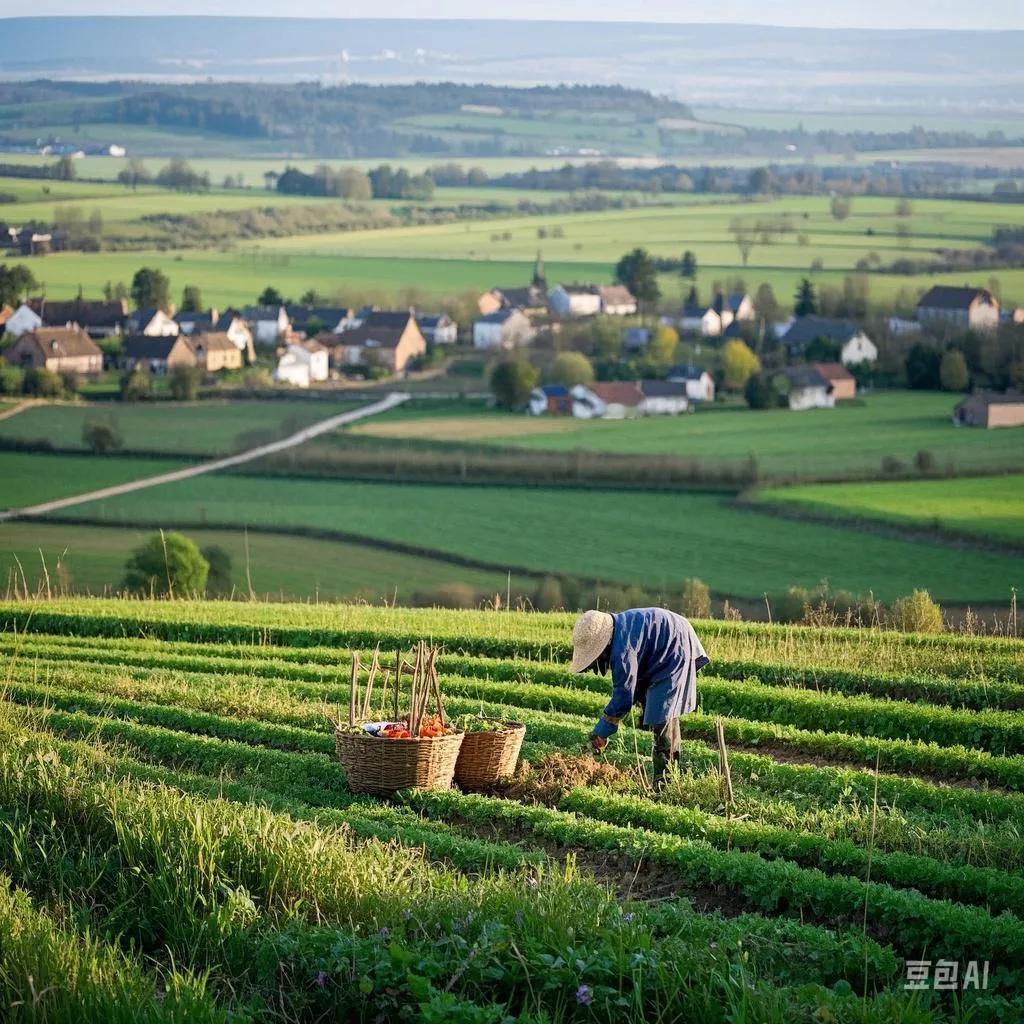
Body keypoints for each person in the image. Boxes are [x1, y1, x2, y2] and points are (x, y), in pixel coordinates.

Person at [570, 607, 710, 789]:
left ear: (601, 647)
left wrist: (602, 731)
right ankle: (665, 774)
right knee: (651, 706)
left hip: (674, 648)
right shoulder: (620, 632)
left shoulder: (622, 651)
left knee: (663, 716)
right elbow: (631, 686)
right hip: (663, 646)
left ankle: (665, 783)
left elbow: (623, 697)